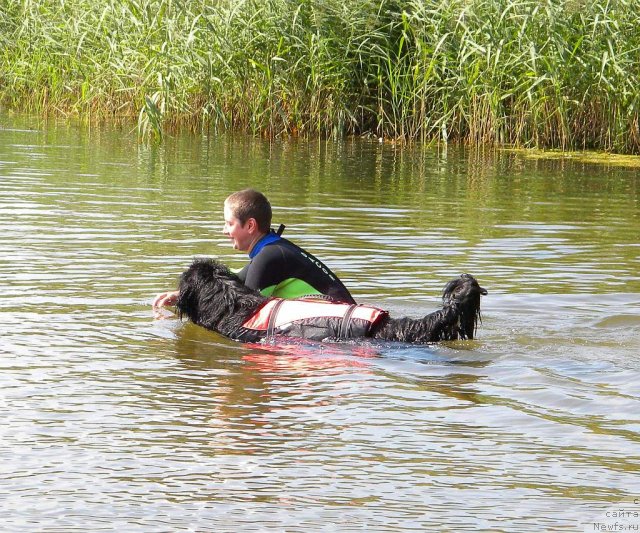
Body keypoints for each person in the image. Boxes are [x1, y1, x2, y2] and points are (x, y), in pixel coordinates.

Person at [152, 189, 355, 310]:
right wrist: (183, 294)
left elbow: (242, 307)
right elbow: (236, 280)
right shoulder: (272, 250)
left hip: (342, 324)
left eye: (229, 224)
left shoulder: (270, 256)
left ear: (250, 226)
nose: (224, 231)